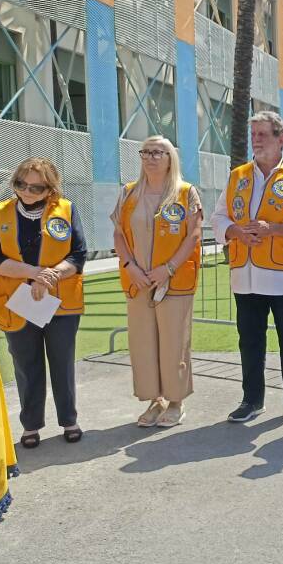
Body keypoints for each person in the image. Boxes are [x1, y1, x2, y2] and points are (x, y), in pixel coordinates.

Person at [210, 111, 283, 425]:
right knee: (249, 340)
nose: (256, 140)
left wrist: (274, 229)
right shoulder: (238, 176)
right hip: (245, 276)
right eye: (254, 134)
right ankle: (251, 400)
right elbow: (219, 218)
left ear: (281, 139)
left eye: (263, 134)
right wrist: (234, 232)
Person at [0, 158, 86, 448]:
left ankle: (69, 420)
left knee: (62, 364)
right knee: (26, 366)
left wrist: (48, 278)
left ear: (50, 189)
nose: (26, 191)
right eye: (20, 184)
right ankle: (30, 425)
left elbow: (78, 254)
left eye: (35, 187)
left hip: (60, 302)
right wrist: (35, 274)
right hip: (15, 302)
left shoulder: (66, 210)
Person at [111, 136, 202, 427]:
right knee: (143, 343)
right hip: (138, 281)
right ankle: (154, 400)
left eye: (158, 153)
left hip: (172, 282)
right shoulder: (129, 193)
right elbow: (118, 235)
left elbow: (194, 235)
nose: (150, 157)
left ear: (170, 158)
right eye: (146, 152)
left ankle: (176, 402)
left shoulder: (186, 193)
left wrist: (169, 268)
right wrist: (130, 266)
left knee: (174, 343)